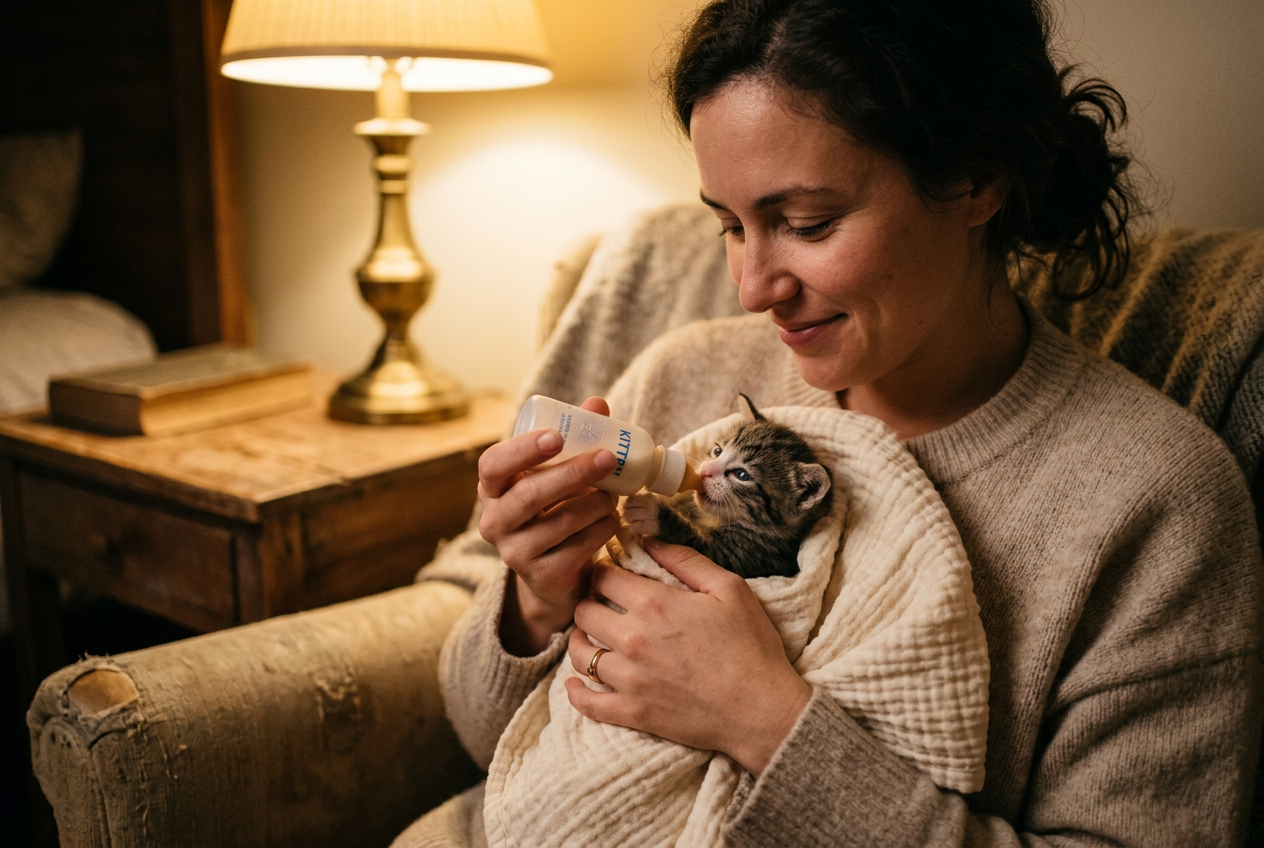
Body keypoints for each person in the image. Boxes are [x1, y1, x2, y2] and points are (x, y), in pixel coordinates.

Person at [398, 1, 1263, 845]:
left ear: (976, 181)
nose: (753, 287)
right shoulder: (684, 373)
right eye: (731, 226)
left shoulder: (1154, 502)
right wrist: (530, 602)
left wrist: (766, 724)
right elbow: (488, 746)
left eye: (805, 223)